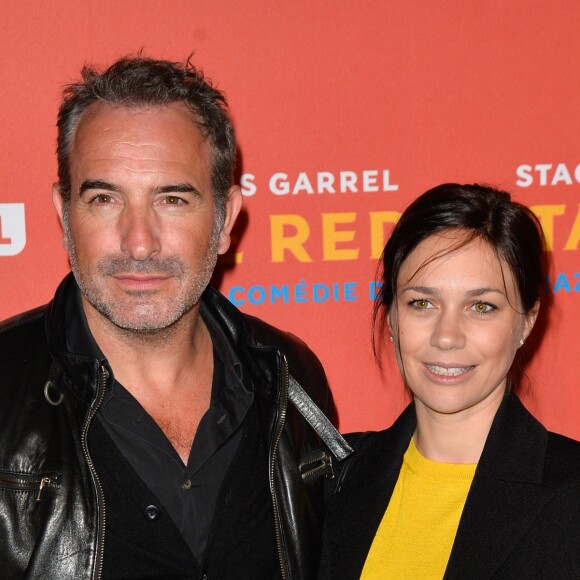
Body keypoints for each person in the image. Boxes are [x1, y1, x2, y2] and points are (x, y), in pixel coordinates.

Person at [0, 55, 351, 580]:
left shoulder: (289, 376)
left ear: (226, 218)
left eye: (171, 199)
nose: (138, 242)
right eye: (103, 198)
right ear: (63, 213)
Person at [319, 183, 580, 579]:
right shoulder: (330, 480)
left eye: (481, 307)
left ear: (526, 321)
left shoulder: (571, 493)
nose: (446, 336)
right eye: (422, 303)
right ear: (391, 316)